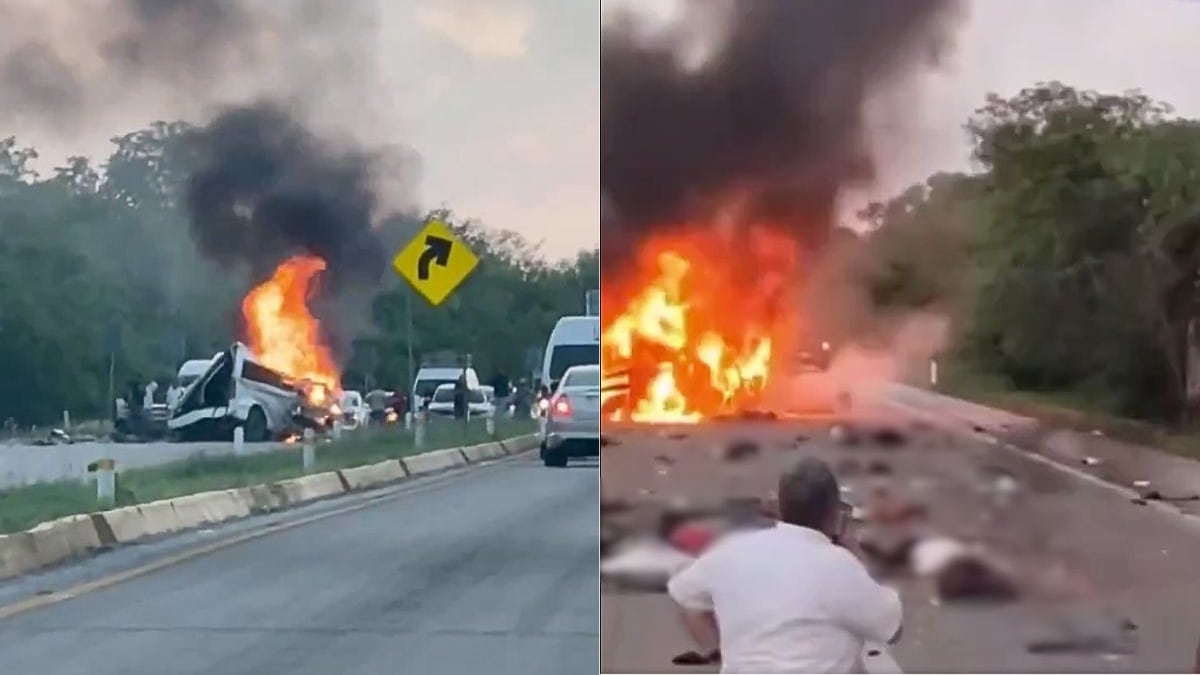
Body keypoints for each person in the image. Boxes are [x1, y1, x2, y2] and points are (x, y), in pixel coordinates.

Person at [666, 457, 903, 674]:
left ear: (779, 508)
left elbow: (685, 597)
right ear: (834, 513)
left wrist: (714, 649)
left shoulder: (734, 549)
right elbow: (892, 629)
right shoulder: (840, 565)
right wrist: (855, 551)